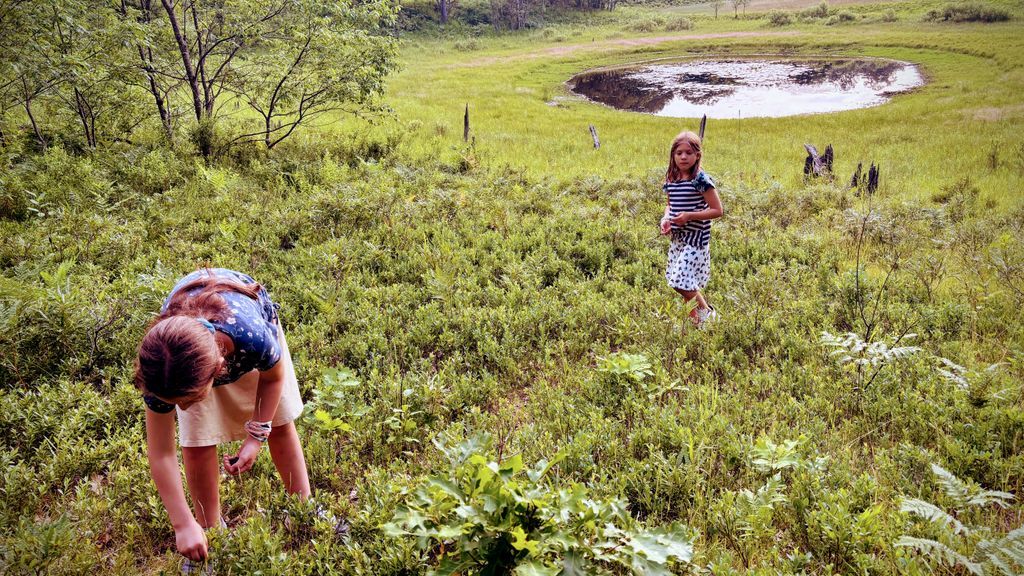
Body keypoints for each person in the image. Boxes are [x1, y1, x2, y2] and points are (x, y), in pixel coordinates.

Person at [135, 268, 310, 565]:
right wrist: (182, 523)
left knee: (280, 424)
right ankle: (209, 531)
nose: (182, 409)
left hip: (241, 329)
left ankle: (305, 508)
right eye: (177, 403)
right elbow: (162, 453)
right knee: (198, 440)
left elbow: (272, 379)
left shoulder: (254, 339)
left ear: (216, 371)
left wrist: (256, 438)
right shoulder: (160, 371)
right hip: (189, 351)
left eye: (187, 401)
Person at [658, 131, 724, 328]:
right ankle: (697, 322)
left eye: (688, 153)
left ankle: (707, 316)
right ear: (673, 155)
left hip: (696, 240)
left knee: (680, 282)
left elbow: (717, 210)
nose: (683, 157)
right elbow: (670, 205)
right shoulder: (672, 177)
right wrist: (666, 218)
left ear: (697, 155)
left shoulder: (700, 180)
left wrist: (689, 216)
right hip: (678, 239)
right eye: (679, 153)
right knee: (683, 282)